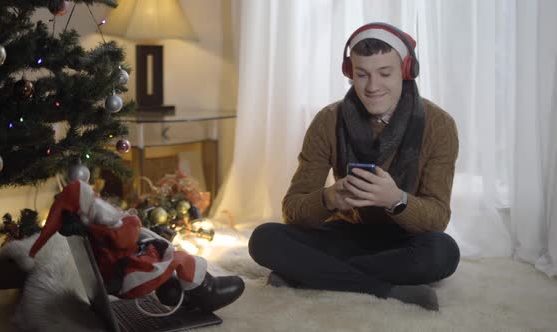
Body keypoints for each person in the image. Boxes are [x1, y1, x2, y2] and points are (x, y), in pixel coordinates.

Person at [248, 22, 460, 311]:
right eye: (362, 74)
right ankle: (383, 288)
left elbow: (437, 218)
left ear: (407, 71)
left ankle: (308, 275)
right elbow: (293, 210)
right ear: (350, 73)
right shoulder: (328, 120)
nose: (372, 87)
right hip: (345, 234)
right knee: (264, 239)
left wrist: (396, 201)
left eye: (385, 73)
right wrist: (329, 198)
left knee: (443, 252)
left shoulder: (439, 125)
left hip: (405, 240)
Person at [29, 179, 245, 312]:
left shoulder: (92, 226)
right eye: (92, 197)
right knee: (180, 258)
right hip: (128, 279)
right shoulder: (102, 227)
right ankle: (208, 291)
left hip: (122, 273)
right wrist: (132, 222)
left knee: (165, 256)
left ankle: (179, 295)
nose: (97, 197)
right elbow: (126, 238)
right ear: (87, 206)